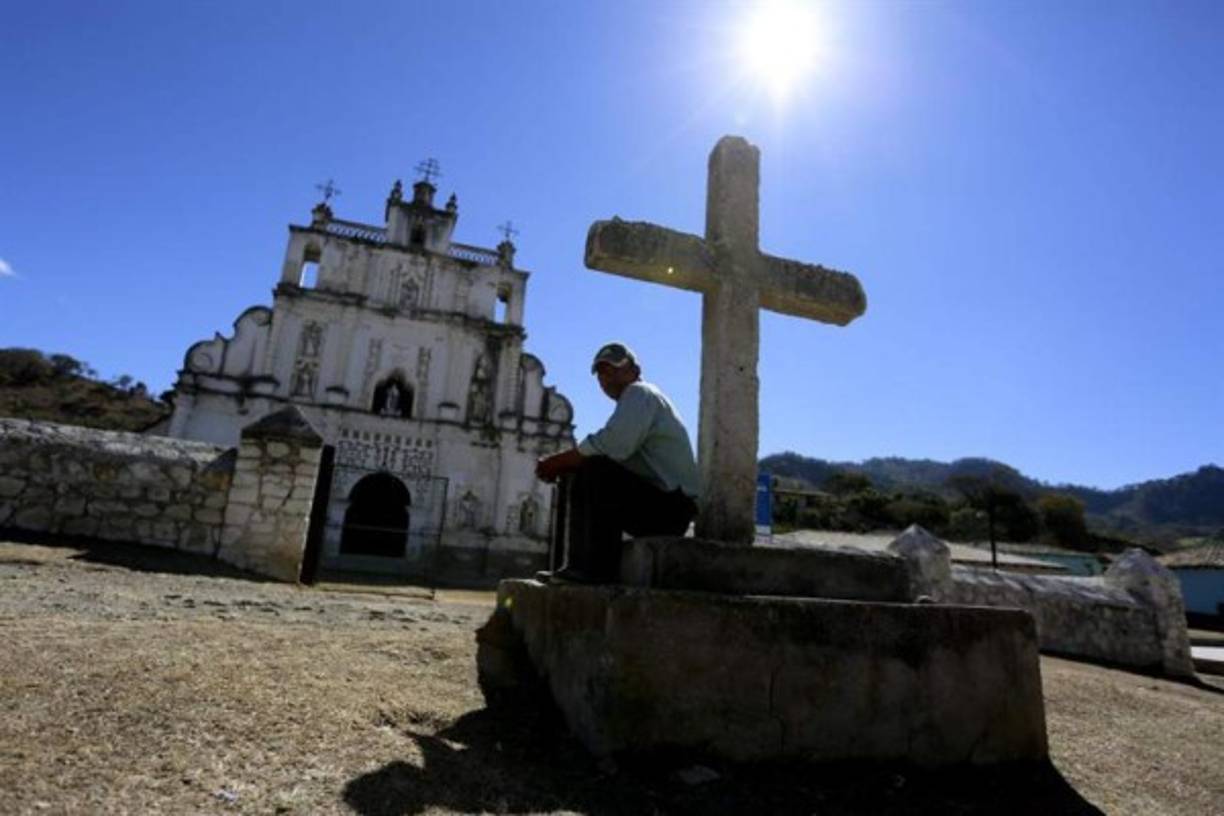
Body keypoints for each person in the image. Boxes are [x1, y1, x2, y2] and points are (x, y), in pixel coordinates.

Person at [535, 342, 699, 583]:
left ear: (634, 370)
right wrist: (565, 464)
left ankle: (595, 569)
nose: (606, 377)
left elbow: (612, 444)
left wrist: (558, 461)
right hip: (663, 504)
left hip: (672, 508)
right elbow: (614, 448)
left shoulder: (640, 392)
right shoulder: (632, 403)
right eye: (601, 373)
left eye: (613, 369)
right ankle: (569, 567)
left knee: (593, 467)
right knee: (575, 472)